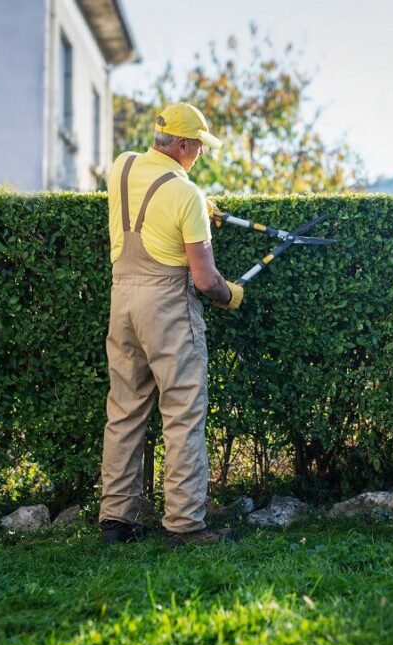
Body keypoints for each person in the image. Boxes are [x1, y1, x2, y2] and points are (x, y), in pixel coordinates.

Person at [98, 102, 244, 547]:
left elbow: (153, 195)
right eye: (198, 146)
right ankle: (184, 526)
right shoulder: (187, 196)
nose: (201, 153)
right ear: (182, 144)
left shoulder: (121, 168)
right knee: (182, 412)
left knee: (124, 409)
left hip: (122, 300)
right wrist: (231, 295)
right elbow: (205, 280)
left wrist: (199, 204)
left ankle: (115, 523)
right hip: (166, 307)